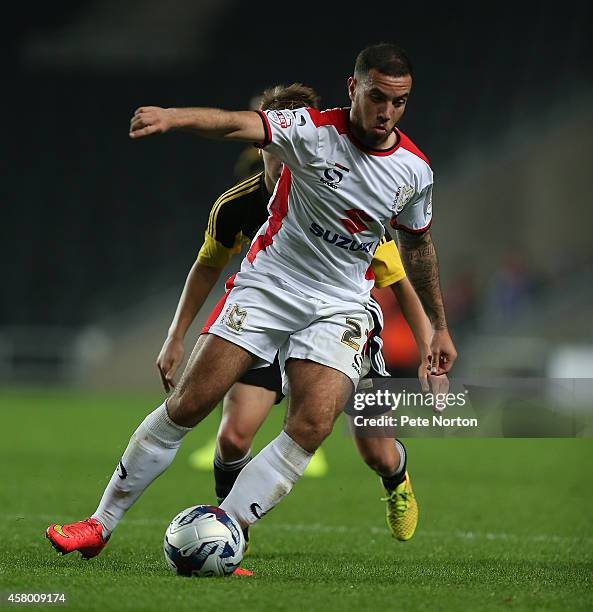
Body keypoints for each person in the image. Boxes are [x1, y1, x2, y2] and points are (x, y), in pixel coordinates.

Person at [46, 42, 456, 559]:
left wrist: (436, 331)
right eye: (378, 97)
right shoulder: (311, 133)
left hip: (343, 306)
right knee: (193, 405)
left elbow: (417, 250)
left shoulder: (415, 172)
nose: (387, 111)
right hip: (270, 285)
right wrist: (173, 117)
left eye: (399, 102)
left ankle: (231, 531)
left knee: (328, 429)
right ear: (354, 88)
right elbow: (235, 124)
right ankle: (99, 524)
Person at [155, 84, 440, 552]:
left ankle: (397, 480)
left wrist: (428, 340)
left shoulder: (340, 199)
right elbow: (207, 267)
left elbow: (400, 281)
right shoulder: (236, 205)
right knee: (232, 437)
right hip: (271, 319)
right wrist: (175, 335)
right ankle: (231, 533)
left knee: (377, 451)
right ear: (265, 142)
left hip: (344, 325)